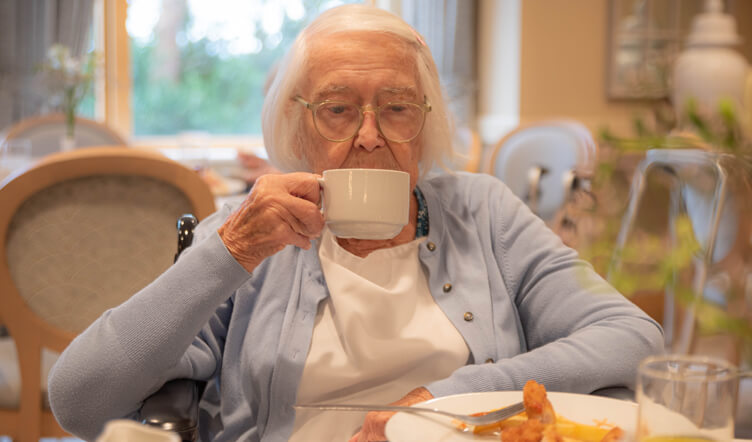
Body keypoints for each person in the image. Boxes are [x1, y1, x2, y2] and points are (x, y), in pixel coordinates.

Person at [48, 5, 663, 442]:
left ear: (425, 124)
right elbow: (78, 401)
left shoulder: (483, 211)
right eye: (337, 110)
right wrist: (228, 252)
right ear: (296, 126)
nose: (369, 136)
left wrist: (450, 397)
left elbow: (631, 336)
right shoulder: (246, 236)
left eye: (397, 108)